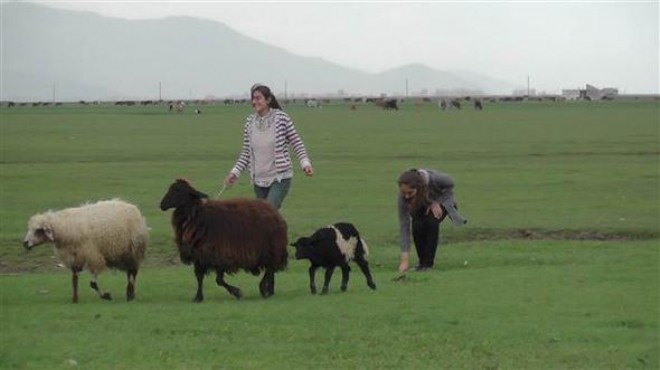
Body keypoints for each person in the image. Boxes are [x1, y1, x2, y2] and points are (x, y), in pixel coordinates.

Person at [224, 84, 313, 209]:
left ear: (268, 100)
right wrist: (234, 173)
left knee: (267, 211)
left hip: (279, 178)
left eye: (258, 98)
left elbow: (296, 142)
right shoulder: (249, 122)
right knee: (264, 219)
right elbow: (246, 153)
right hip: (258, 180)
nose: (255, 101)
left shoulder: (281, 118)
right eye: (253, 98)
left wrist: (305, 164)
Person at [397, 169, 467, 273]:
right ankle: (421, 263)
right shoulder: (404, 198)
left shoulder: (435, 179)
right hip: (422, 204)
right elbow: (404, 227)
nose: (406, 196)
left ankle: (428, 264)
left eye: (410, 193)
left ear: (419, 187)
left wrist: (437, 202)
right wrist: (404, 260)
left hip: (443, 202)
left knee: (431, 221)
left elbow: (451, 184)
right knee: (417, 225)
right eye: (403, 192)